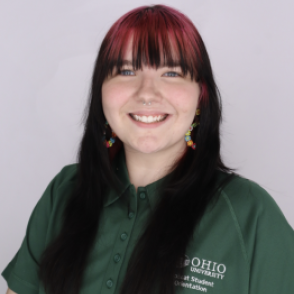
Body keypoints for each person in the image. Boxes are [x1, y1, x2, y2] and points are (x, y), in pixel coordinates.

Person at [2, 4, 294, 294]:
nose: (146, 93)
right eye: (127, 71)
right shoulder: (64, 192)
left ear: (200, 95)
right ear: (101, 91)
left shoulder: (250, 214)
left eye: (171, 73)